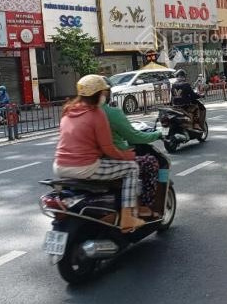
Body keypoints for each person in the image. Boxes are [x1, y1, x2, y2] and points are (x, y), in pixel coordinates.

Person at [53, 74, 144, 232]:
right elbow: (108, 148)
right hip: (85, 167)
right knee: (132, 168)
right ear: (97, 95)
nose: (104, 96)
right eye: (103, 93)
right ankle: (128, 217)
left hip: (59, 166)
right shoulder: (96, 114)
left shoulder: (68, 111)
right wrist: (127, 156)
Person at [101, 84, 162, 216]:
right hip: (109, 160)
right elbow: (133, 136)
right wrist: (157, 134)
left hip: (78, 163)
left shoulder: (76, 112)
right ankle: (144, 206)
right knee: (150, 162)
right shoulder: (109, 113)